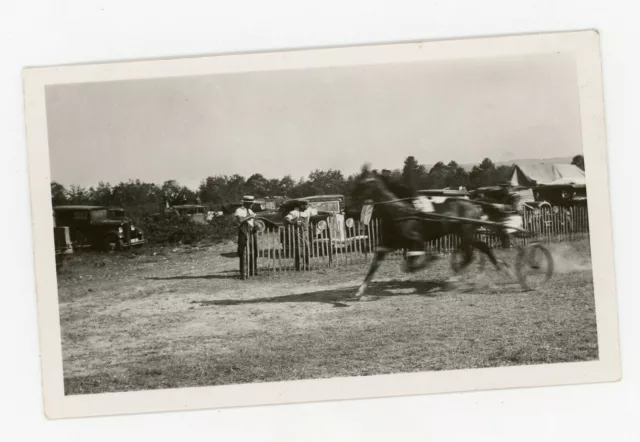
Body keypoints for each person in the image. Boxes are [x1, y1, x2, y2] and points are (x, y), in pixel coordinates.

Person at [284, 199, 316, 270]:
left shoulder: (308, 212)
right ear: (301, 205)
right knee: (298, 249)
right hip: (297, 233)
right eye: (305, 205)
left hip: (305, 232)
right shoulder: (295, 212)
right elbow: (286, 218)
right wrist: (293, 223)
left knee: (307, 248)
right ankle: (298, 266)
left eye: (307, 205)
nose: (307, 206)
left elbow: (315, 212)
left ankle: (306, 265)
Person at [234, 195, 259, 279]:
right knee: (242, 252)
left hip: (251, 232)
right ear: (246, 203)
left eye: (252, 203)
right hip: (243, 232)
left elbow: (253, 221)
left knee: (253, 251)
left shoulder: (250, 210)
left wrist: (256, 224)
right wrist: (250, 216)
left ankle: (253, 270)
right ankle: (243, 272)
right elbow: (240, 220)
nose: (252, 205)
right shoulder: (239, 210)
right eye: (251, 203)